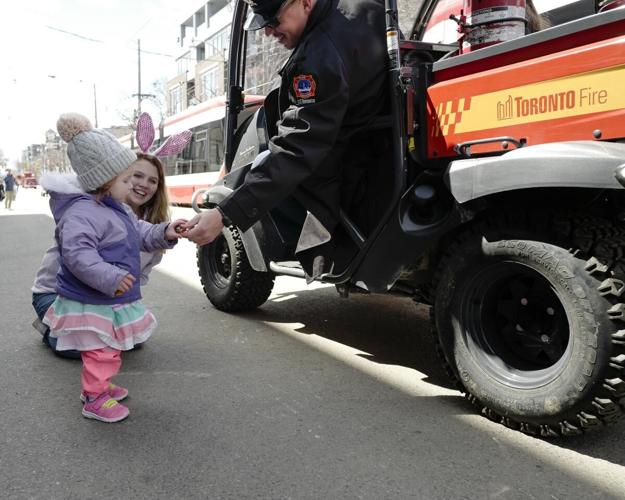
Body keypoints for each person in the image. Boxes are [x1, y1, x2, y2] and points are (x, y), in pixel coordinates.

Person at [183, 0, 388, 278]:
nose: (269, 32)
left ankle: (318, 254)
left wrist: (224, 214)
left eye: (274, 21)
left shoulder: (316, 57)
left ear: (306, 2)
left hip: (347, 171)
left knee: (270, 164)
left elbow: (294, 151)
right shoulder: (367, 10)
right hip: (378, 147)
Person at [40, 112, 186, 423]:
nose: (132, 183)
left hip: (107, 298)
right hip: (91, 299)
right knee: (101, 349)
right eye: (126, 178)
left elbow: (141, 231)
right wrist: (111, 277)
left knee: (110, 346)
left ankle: (98, 387)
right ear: (104, 181)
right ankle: (94, 398)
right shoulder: (82, 213)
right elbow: (78, 255)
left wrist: (166, 231)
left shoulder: (114, 208)